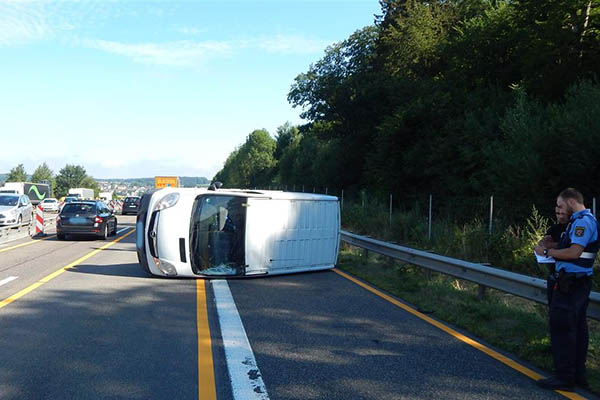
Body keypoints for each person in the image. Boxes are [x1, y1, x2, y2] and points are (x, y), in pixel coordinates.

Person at [535, 188, 599, 391]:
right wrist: (549, 245)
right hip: (573, 283)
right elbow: (566, 244)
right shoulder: (576, 222)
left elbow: (573, 252)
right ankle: (576, 375)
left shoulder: (583, 222)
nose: (558, 209)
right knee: (576, 329)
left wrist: (548, 252)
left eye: (560, 205)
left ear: (572, 202)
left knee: (563, 329)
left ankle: (564, 377)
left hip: (572, 284)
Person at [537, 207, 569, 305]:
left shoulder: (573, 228)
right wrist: (554, 245)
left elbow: (568, 246)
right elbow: (542, 243)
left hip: (568, 274)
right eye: (557, 214)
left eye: (563, 214)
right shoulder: (555, 228)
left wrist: (553, 246)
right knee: (552, 305)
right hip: (553, 272)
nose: (560, 216)